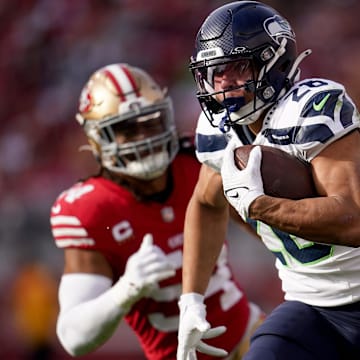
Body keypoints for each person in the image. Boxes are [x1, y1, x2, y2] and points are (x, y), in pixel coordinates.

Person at [177, 1, 360, 360]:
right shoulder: (220, 133)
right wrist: (191, 299)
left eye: (237, 68)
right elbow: (204, 203)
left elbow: (353, 218)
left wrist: (262, 207)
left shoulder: (312, 107)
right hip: (313, 307)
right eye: (215, 73)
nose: (224, 83)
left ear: (273, 63)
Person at [50, 63, 264, 360]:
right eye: (127, 129)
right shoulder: (91, 209)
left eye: (150, 121)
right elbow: (74, 338)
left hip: (248, 335)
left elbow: (264, 226)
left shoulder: (196, 160)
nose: (144, 136)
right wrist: (126, 289)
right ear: (98, 139)